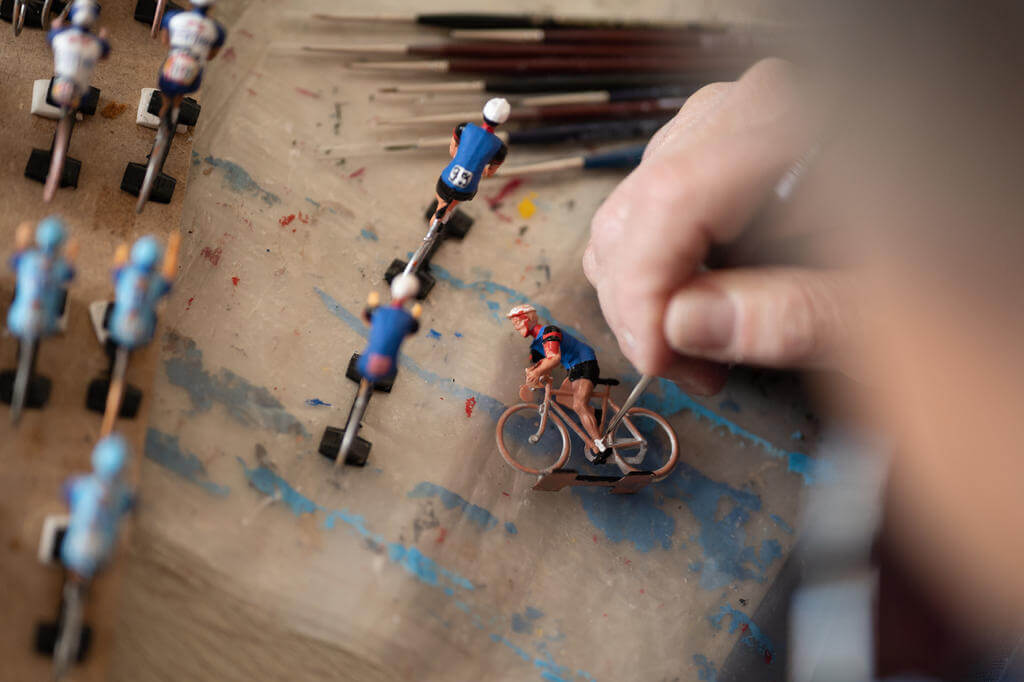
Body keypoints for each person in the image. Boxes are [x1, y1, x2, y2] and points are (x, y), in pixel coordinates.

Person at [506, 304, 609, 458]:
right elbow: (545, 365)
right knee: (562, 397)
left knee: (578, 405)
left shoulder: (549, 332)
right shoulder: (536, 345)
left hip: (584, 362)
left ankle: (602, 448)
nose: (515, 327)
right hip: (573, 368)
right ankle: (595, 414)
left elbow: (554, 358)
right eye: (514, 323)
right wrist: (536, 374)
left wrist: (538, 371)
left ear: (528, 319)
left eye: (517, 322)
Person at [61, 434, 135, 580]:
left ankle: (74, 582)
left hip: (76, 549)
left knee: (78, 564)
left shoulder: (81, 485)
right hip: (103, 553)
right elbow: (130, 505)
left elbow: (67, 492)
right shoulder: (123, 495)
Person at [433, 98, 511, 223]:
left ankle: (440, 217)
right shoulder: (500, 148)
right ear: (503, 121)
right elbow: (489, 173)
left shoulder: (463, 128)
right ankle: (444, 215)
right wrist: (478, 168)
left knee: (441, 205)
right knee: (449, 206)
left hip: (446, 180)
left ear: (484, 112)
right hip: (466, 189)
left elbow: (452, 151)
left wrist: (462, 159)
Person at [156, 0, 226, 123]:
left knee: (168, 82)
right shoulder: (218, 30)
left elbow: (165, 42)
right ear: (212, 7)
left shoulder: (172, 16)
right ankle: (175, 108)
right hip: (192, 79)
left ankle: (166, 107)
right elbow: (211, 56)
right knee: (182, 87)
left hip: (171, 71)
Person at [7, 217, 75, 341]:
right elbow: (71, 275)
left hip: (18, 320)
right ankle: (60, 321)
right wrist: (70, 258)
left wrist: (21, 245)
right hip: (47, 325)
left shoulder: (28, 258)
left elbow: (13, 262)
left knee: (21, 282)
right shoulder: (61, 266)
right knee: (62, 289)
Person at [108, 235, 177, 350]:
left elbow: (116, 269)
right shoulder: (157, 282)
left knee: (117, 305)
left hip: (116, 330)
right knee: (152, 313)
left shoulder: (125, 274)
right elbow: (169, 280)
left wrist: (121, 252)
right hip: (143, 337)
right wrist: (173, 250)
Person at [356, 274, 422, 384]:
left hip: (364, 365)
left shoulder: (378, 311)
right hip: (388, 370)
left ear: (392, 289)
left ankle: (368, 380)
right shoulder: (409, 319)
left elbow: (366, 317)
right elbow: (411, 332)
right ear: (410, 297)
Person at [47, 0, 110, 110]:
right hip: (80, 92)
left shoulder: (60, 35)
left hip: (59, 88)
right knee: (80, 100)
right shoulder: (96, 44)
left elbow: (50, 39)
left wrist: (55, 27)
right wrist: (103, 39)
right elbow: (105, 55)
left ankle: (64, 110)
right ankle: (73, 112)